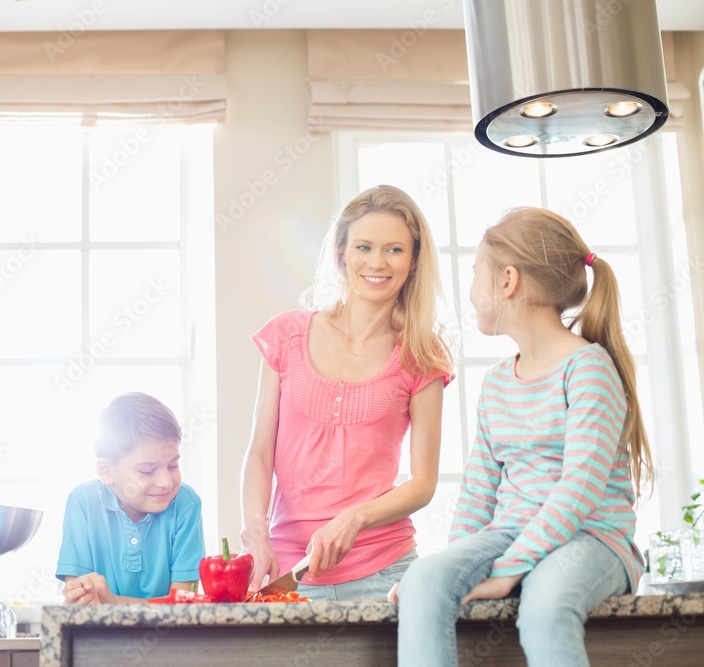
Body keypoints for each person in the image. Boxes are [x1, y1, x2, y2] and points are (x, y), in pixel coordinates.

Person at [394, 207, 654, 666]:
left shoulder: (588, 369)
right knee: (423, 579)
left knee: (546, 601)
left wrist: (510, 569)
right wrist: (442, 572)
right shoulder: (497, 383)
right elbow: (478, 491)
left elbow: (580, 489)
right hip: (512, 532)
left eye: (477, 274)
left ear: (508, 281)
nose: (472, 293)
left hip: (596, 538)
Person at [239, 184, 453, 601]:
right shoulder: (287, 335)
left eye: (394, 250)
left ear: (413, 261)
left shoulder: (422, 353)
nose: (377, 262)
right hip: (289, 571)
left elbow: (424, 482)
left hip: (385, 571)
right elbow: (260, 453)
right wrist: (255, 533)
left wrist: (355, 517)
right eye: (364, 247)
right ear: (342, 254)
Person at [56, 392, 206, 604]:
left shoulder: (186, 505)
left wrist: (112, 602)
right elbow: (81, 605)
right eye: (147, 471)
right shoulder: (83, 503)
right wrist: (90, 599)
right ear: (107, 471)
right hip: (99, 637)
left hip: (169, 638)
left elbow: (183, 608)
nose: (166, 481)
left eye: (173, 465)